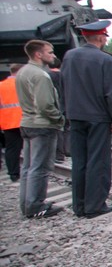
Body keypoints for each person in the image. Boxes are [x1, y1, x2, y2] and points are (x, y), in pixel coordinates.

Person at [61, 20, 112, 218]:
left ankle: (79, 205)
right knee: (98, 160)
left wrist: (66, 112)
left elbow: (62, 86)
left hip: (75, 115)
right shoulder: (104, 60)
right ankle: (95, 205)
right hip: (98, 117)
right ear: (100, 37)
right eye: (105, 36)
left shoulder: (69, 57)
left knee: (79, 160)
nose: (105, 39)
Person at [16, 40, 65, 218]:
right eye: (50, 52)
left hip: (27, 123)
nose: (53, 56)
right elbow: (45, 105)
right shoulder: (41, 76)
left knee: (28, 167)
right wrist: (59, 119)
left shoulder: (22, 72)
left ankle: (26, 204)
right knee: (41, 167)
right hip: (42, 125)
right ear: (38, 54)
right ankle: (36, 205)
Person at [0, 64, 23, 182]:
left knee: (12, 149)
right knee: (31, 148)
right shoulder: (24, 84)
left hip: (7, 122)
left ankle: (13, 174)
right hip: (26, 120)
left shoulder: (1, 86)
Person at [47, 56, 68, 161]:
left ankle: (57, 154)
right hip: (66, 105)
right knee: (65, 129)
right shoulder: (65, 76)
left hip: (53, 105)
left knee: (55, 130)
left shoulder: (46, 76)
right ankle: (66, 150)